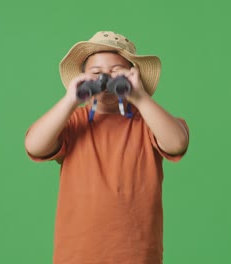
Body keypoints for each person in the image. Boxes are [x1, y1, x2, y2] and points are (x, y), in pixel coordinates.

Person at [24, 31, 190, 264]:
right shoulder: (73, 122)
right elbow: (34, 145)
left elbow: (177, 143)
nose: (106, 80)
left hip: (137, 254)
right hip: (78, 254)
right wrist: (70, 99)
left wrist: (140, 97)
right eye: (96, 74)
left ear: (133, 77)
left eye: (116, 73)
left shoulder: (148, 123)